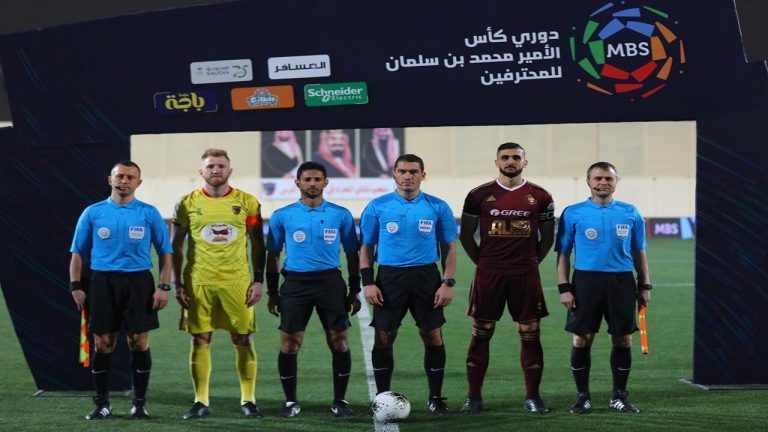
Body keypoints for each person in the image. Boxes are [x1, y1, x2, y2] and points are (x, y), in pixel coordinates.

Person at [69, 160, 173, 420]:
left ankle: (139, 404)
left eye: (130, 177)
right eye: (120, 176)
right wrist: (76, 286)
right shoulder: (93, 212)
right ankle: (102, 403)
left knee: (138, 342)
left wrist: (163, 286)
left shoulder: (148, 213)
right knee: (103, 343)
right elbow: (77, 252)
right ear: (110, 179)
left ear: (139, 182)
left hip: (139, 282)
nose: (124, 181)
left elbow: (166, 253)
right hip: (102, 283)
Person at [458, 142, 555, 415]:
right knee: (482, 330)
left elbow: (547, 237)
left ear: (525, 162)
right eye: (505, 157)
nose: (510, 161)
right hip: (489, 274)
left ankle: (533, 397)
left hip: (525, 274)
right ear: (497, 161)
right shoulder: (478, 195)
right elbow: (466, 236)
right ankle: (473, 397)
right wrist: (484, 263)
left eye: (515, 157)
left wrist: (531, 262)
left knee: (530, 331)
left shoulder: (540, 196)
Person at [172, 148, 266, 420]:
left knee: (243, 337)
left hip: (237, 283)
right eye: (211, 166)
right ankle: (200, 400)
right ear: (201, 171)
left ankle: (248, 400)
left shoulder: (247, 202)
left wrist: (258, 280)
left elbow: (258, 245)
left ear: (230, 171)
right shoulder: (185, 203)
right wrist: (177, 283)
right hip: (198, 282)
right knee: (200, 338)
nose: (216, 170)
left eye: (221, 166)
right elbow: (175, 246)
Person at [360, 153, 457, 415]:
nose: (407, 176)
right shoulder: (377, 207)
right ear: (394, 174)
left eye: (413, 172)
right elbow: (366, 247)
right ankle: (381, 398)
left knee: (432, 335)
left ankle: (435, 398)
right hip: (389, 278)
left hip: (426, 278)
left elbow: (449, 248)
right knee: (384, 336)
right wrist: (368, 282)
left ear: (422, 175)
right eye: (402, 171)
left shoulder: (438, 207)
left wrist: (447, 282)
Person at [265, 161, 361, 418]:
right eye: (307, 179)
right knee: (289, 343)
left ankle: (340, 400)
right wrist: (272, 291)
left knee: (339, 342)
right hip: (296, 284)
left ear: (325, 182)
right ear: (297, 182)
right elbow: (273, 254)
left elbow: (352, 253)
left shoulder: (340, 215)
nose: (312, 183)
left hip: (330, 283)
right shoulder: (282, 215)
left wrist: (354, 289)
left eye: (317, 179)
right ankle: (290, 402)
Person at [555, 161, 652, 414]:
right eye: (597, 178)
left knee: (623, 338)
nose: (603, 182)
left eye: (609, 178)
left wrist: (645, 285)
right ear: (588, 181)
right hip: (585, 282)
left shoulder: (631, 212)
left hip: (621, 281)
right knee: (581, 338)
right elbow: (563, 253)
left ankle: (619, 396)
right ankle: (582, 397)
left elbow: (639, 251)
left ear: (616, 182)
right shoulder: (573, 213)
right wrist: (564, 287)